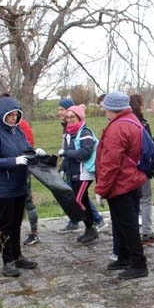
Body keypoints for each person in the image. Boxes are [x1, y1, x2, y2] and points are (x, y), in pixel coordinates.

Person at [0, 95, 43, 277]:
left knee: (16, 223)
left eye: (16, 115)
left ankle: (17, 256)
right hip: (3, 189)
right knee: (5, 225)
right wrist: (13, 161)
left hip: (19, 185)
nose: (13, 118)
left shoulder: (18, 131)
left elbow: (25, 148)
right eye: (10, 115)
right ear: (2, 114)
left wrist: (35, 152)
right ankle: (7, 261)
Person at [95, 91, 148, 280]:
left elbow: (111, 163)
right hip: (131, 180)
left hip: (121, 183)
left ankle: (138, 264)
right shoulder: (132, 121)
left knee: (127, 224)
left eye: (105, 108)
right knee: (122, 223)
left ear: (112, 108)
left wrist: (101, 189)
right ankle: (124, 257)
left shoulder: (117, 128)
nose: (104, 111)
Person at [57, 104, 99, 244]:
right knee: (83, 200)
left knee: (78, 200)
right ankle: (90, 228)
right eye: (67, 117)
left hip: (84, 172)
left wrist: (65, 153)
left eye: (72, 117)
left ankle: (91, 227)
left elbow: (85, 153)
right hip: (73, 172)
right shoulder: (69, 133)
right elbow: (67, 155)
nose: (69, 120)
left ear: (80, 117)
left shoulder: (85, 132)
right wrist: (63, 168)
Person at [131, 93, 154, 244]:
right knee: (146, 199)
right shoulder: (144, 125)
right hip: (143, 168)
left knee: (132, 201)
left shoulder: (125, 123)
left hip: (129, 169)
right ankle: (147, 231)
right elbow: (149, 148)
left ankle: (132, 232)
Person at [56, 97, 81, 234]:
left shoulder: (72, 127)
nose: (59, 112)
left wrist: (64, 162)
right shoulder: (65, 126)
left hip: (74, 167)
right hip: (68, 165)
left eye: (62, 109)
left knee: (75, 195)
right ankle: (75, 220)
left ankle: (95, 218)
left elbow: (72, 149)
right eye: (58, 109)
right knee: (73, 194)